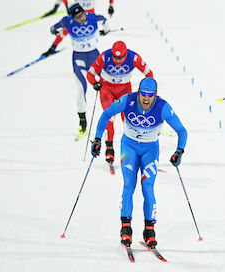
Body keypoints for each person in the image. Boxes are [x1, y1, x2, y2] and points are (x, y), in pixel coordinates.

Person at [90, 78, 188, 248]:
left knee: (147, 187)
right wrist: (98, 139)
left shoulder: (163, 107)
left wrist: (179, 151)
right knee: (129, 185)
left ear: (155, 95)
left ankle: (149, 231)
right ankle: (126, 229)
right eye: (143, 94)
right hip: (129, 147)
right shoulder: (128, 100)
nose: (146, 98)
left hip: (150, 150)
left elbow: (181, 130)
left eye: (150, 95)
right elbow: (106, 114)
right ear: (139, 92)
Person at [86, 40, 154, 164]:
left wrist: (146, 90)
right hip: (107, 89)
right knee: (110, 116)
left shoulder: (133, 57)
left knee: (128, 119)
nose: (117, 61)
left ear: (125, 54)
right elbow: (90, 73)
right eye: (115, 57)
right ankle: (109, 148)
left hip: (124, 90)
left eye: (120, 58)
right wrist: (94, 83)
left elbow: (149, 73)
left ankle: (136, 149)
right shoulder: (104, 57)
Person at [47, 3, 108, 138]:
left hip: (94, 56)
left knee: (106, 83)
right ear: (72, 18)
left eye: (82, 15)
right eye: (78, 17)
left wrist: (106, 29)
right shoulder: (67, 21)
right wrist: (53, 30)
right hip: (78, 58)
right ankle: (82, 118)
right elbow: (54, 27)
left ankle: (112, 113)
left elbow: (104, 19)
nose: (81, 19)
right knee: (81, 87)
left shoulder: (92, 17)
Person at [42, 0, 114, 58]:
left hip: (88, 15)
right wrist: (58, 6)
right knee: (65, 31)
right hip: (76, 16)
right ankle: (53, 47)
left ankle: (53, 47)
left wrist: (111, 5)